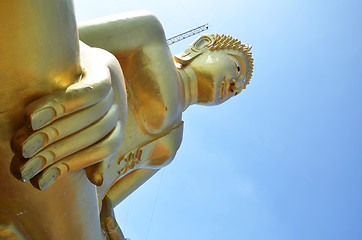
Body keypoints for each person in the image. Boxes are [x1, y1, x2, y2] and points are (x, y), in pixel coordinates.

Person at [11, 10, 253, 239]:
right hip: (46, 111)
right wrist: (105, 69)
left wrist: (110, 226)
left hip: (72, 198)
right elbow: (67, 44)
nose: (234, 86)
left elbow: (106, 200)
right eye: (237, 68)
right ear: (202, 45)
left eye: (237, 91)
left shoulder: (173, 142)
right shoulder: (150, 35)